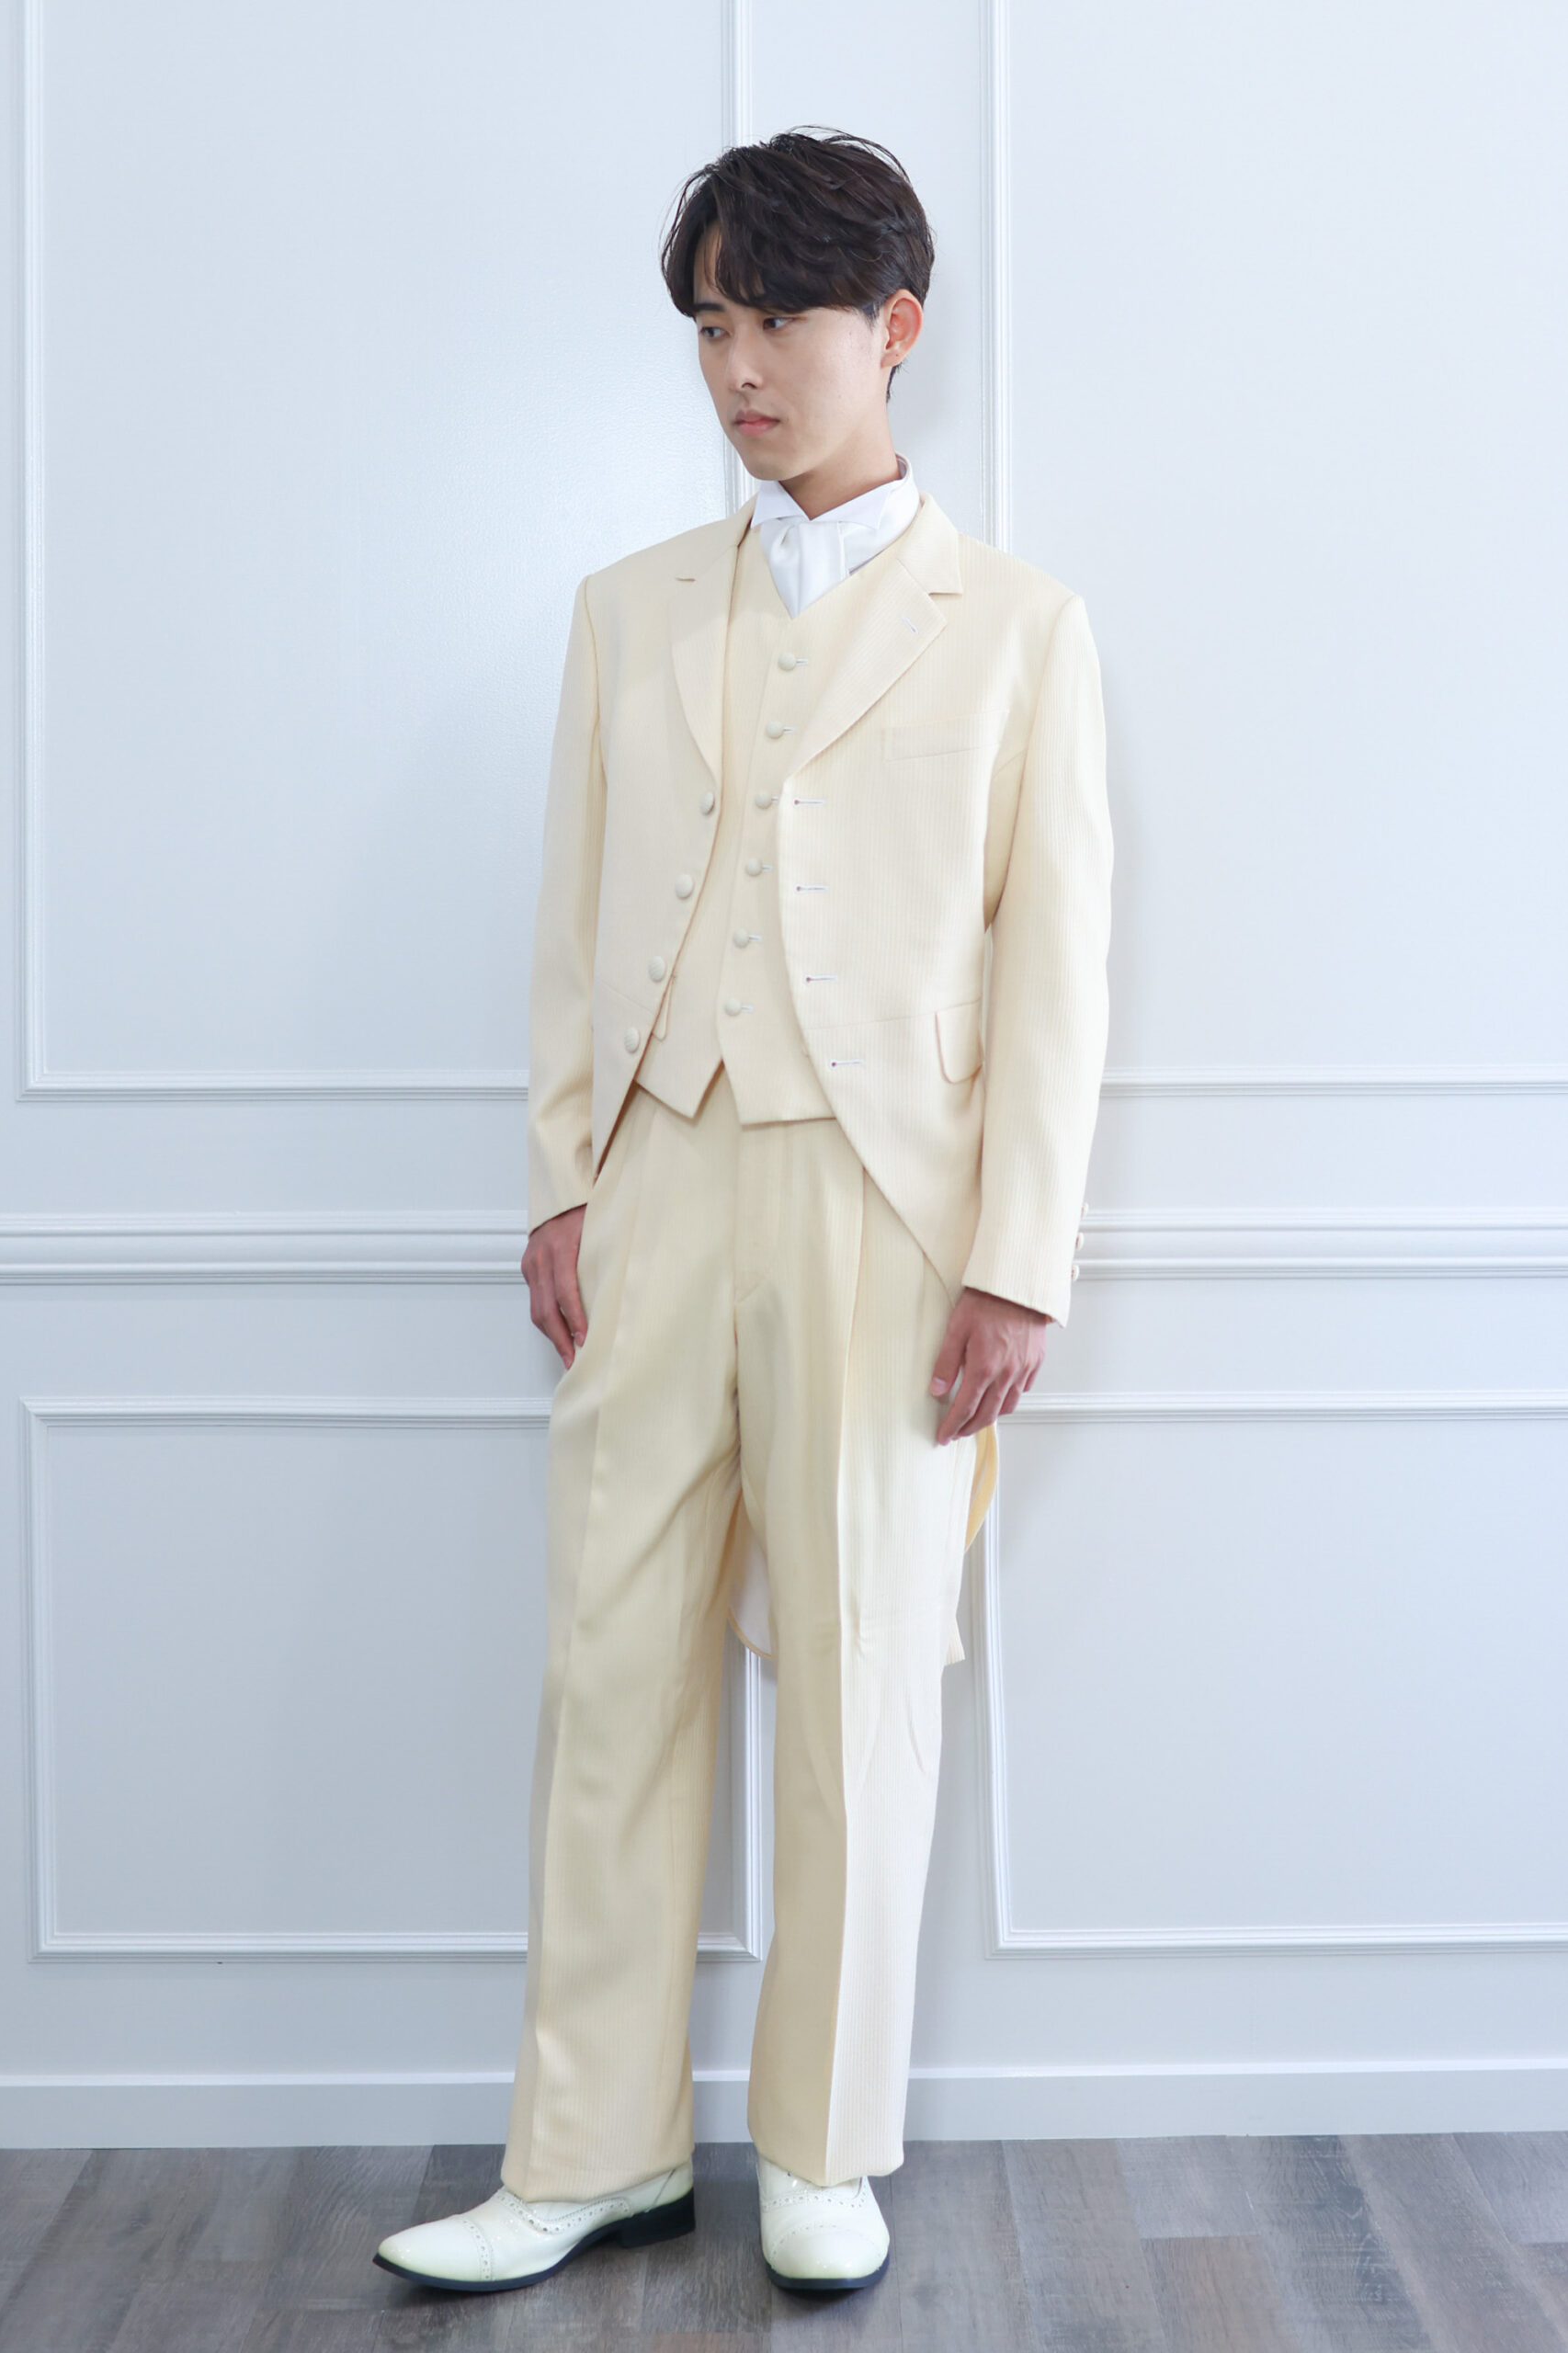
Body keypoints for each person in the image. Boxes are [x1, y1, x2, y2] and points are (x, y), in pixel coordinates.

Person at [374, 125, 1111, 2301]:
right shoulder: (624, 613)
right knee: (606, 1675)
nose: (737, 367)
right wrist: (564, 1182)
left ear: (893, 328)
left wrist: (1015, 1260)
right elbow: (564, 930)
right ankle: (585, 2148)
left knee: (865, 1688)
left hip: (890, 1218)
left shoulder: (1019, 631)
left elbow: (1057, 976)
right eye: (708, 323)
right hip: (654, 1189)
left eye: (776, 317)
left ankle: (819, 2144)